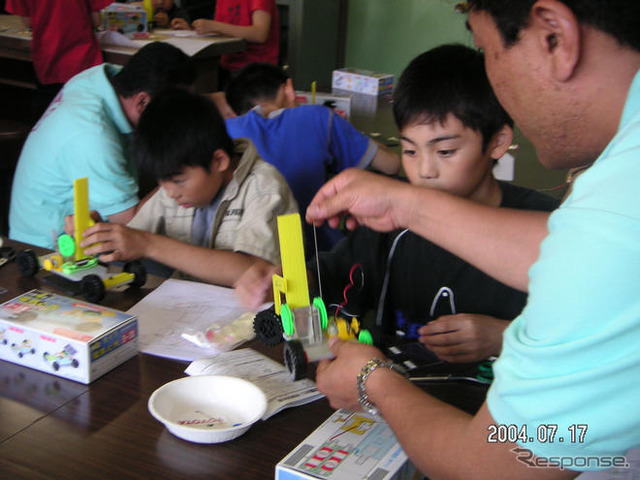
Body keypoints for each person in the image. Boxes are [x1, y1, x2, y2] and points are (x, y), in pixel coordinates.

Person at [303, 0, 640, 477]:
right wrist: (406, 206)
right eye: (412, 150)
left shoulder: (619, 210)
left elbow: (495, 463)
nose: (493, 78)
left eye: (486, 50)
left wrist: (369, 380)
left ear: (553, 36)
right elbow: (579, 253)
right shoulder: (614, 206)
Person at [235, 45, 559, 364]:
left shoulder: (546, 229)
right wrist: (287, 281)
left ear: (498, 142)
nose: (424, 171)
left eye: (445, 152)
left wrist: (506, 337)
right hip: (386, 393)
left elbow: (586, 333)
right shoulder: (389, 218)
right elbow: (330, 277)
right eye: (409, 150)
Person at [78, 88, 297, 287]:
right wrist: (101, 238)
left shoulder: (264, 187)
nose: (170, 193)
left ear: (219, 161)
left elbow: (257, 275)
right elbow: (134, 240)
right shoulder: (174, 190)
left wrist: (149, 245)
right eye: (161, 182)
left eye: (178, 181)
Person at [9, 42, 196, 250]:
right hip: (48, 247)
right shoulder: (93, 136)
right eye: (174, 108)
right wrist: (180, 178)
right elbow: (132, 224)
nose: (177, 117)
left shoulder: (103, 79)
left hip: (69, 220)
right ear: (142, 101)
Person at [225, 62, 401, 253]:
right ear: (289, 89)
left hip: (245, 254)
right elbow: (391, 165)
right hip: (317, 254)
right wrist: (351, 134)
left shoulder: (227, 130)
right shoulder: (319, 118)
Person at [5, 0, 112, 118]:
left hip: (48, 57)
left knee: (50, 113)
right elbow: (95, 21)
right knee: (84, 115)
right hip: (83, 59)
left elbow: (28, 22)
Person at [171, 0, 279, 88]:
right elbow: (224, 30)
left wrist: (214, 26)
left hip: (256, 70)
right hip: (227, 67)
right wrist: (194, 30)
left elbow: (260, 34)